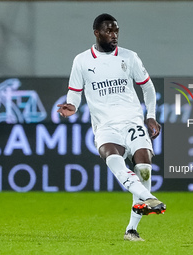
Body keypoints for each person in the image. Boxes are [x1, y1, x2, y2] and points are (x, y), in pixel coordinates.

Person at [57, 13, 166, 242]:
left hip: (132, 120)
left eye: (116, 30)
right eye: (109, 31)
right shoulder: (82, 61)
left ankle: (132, 229)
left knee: (144, 168)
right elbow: (74, 95)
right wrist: (71, 107)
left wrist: (151, 116)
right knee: (112, 158)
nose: (114, 35)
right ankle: (148, 198)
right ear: (96, 32)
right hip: (105, 125)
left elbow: (148, 88)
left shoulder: (129, 57)